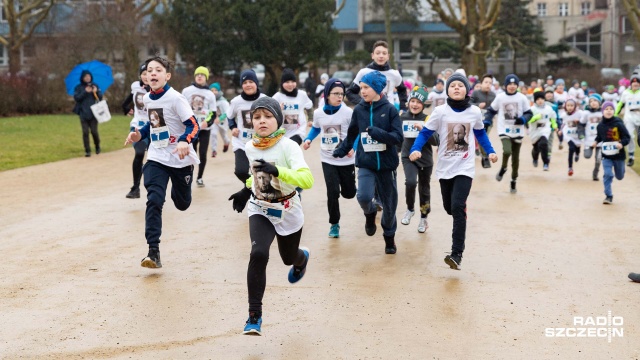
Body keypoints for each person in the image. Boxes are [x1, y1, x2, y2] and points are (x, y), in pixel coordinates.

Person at [227, 96, 314, 336]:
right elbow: (256, 175)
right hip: (260, 207)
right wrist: (245, 191)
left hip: (287, 209)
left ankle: (301, 259)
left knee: (288, 258)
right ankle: (254, 316)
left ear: (278, 119)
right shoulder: (250, 146)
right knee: (258, 253)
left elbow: (307, 179)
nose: (262, 121)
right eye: (257, 117)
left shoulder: (289, 147)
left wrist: (279, 171)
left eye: (267, 116)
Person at [409, 70, 498, 270]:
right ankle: (459, 211)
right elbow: (425, 133)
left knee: (457, 207)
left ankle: (456, 254)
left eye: (459, 85)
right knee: (450, 208)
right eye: (452, 86)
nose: (456, 88)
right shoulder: (440, 112)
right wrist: (415, 149)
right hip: (444, 168)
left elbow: (480, 134)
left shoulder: (474, 112)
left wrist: (490, 152)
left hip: (464, 168)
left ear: (466, 89)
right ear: (447, 91)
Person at [123, 55, 200, 269]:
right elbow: (153, 124)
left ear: (167, 75)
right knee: (154, 200)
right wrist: (139, 135)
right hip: (157, 156)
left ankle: (182, 188)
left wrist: (185, 141)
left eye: (158, 70)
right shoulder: (147, 98)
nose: (152, 73)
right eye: (149, 70)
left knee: (182, 204)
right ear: (145, 77)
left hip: (180, 158)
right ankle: (153, 251)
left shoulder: (176, 98)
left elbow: (194, 125)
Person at [333, 71, 403, 254]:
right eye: (361, 87)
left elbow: (398, 137)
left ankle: (389, 237)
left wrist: (379, 134)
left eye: (366, 87)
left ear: (378, 88)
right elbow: (352, 134)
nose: (362, 91)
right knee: (363, 196)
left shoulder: (390, 110)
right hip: (365, 162)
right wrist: (341, 150)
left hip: (387, 166)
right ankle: (370, 213)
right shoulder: (359, 110)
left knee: (389, 206)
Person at [303, 78, 356, 238]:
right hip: (328, 159)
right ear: (327, 95)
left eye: (342, 94)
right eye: (336, 93)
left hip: (346, 160)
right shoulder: (318, 113)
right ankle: (334, 224)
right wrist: (308, 139)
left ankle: (351, 188)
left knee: (349, 193)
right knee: (332, 192)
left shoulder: (348, 113)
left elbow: (357, 133)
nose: (340, 97)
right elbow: (316, 129)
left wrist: (353, 148)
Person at [484, 74, 533, 194]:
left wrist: (522, 120)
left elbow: (529, 113)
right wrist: (487, 121)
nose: (512, 86)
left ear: (517, 85)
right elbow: (491, 110)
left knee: (516, 159)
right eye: (509, 84)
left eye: (514, 84)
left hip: (518, 131)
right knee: (507, 151)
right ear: (505, 85)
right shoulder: (500, 97)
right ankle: (503, 168)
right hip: (504, 129)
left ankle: (513, 180)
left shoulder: (522, 98)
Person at [400, 85, 438, 233]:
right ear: (409, 101)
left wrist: (423, 130)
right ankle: (410, 209)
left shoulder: (428, 119)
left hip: (425, 159)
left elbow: (436, 141)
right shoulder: (402, 117)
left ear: (423, 105)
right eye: (413, 101)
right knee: (410, 182)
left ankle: (424, 218)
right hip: (408, 156)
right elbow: (397, 138)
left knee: (424, 189)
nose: (415, 105)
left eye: (419, 102)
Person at [227, 69, 267, 184]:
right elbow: (230, 116)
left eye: (251, 81)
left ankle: (257, 191)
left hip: (261, 142)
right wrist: (233, 127)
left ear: (256, 83)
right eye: (244, 83)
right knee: (240, 171)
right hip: (241, 142)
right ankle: (252, 188)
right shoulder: (236, 101)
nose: (248, 85)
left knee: (262, 173)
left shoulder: (265, 99)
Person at [346, 40, 407, 112]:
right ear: (372, 55)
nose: (381, 56)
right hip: (368, 112)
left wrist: (403, 109)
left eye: (384, 53)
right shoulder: (364, 72)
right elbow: (350, 92)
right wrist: (363, 103)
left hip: (388, 113)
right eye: (378, 53)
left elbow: (402, 90)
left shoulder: (395, 74)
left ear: (388, 56)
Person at [182, 66, 217, 187]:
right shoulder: (186, 91)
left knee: (202, 153)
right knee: (191, 152)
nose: (200, 76)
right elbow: (181, 107)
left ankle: (200, 177)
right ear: (195, 76)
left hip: (204, 129)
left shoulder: (210, 94)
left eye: (202, 75)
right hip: (191, 128)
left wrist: (207, 122)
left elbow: (213, 113)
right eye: (198, 74)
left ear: (206, 78)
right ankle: (188, 175)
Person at [121, 62, 150, 199]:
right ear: (140, 75)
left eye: (148, 73)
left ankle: (154, 186)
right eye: (144, 74)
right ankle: (135, 188)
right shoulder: (135, 86)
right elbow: (126, 102)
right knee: (139, 153)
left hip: (154, 127)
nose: (146, 76)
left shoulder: (158, 89)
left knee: (155, 158)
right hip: (137, 125)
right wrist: (127, 109)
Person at [592, 101, 631, 204]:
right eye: (606, 109)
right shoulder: (600, 125)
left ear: (614, 111)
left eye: (611, 109)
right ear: (603, 111)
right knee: (608, 174)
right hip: (606, 155)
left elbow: (627, 137)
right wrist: (596, 141)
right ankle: (608, 195)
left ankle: (621, 171)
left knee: (619, 176)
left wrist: (621, 144)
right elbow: (600, 136)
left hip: (619, 155)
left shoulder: (618, 123)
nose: (609, 111)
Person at [272, 68, 313, 145]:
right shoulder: (277, 97)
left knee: (292, 146)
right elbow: (269, 113)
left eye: (293, 81)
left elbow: (309, 106)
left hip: (298, 131)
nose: (290, 84)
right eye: (287, 82)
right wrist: (277, 109)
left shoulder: (302, 95)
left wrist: (310, 119)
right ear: (282, 83)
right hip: (281, 132)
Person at [72, 70, 102, 157]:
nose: (87, 78)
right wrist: (85, 91)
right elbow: (77, 98)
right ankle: (87, 150)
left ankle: (97, 147)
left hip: (94, 113)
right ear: (82, 78)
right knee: (85, 132)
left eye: (88, 76)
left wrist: (95, 92)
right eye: (85, 77)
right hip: (83, 113)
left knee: (94, 131)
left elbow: (100, 97)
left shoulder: (95, 86)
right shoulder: (78, 87)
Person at [471, 74, 497, 168]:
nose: (488, 85)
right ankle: (484, 155)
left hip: (487, 121)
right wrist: (478, 105)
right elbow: (469, 104)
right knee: (479, 138)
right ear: (481, 83)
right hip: (476, 120)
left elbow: (496, 108)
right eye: (486, 82)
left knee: (484, 135)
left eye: (490, 83)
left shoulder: (493, 95)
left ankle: (485, 157)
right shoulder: (476, 93)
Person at [614, 73, 640, 166]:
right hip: (629, 117)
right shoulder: (626, 93)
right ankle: (631, 156)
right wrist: (615, 114)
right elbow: (620, 104)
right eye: (634, 83)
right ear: (631, 84)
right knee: (629, 136)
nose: (636, 84)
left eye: (637, 83)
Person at [528, 91, 558, 171]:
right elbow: (528, 121)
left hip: (545, 129)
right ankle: (535, 158)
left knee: (544, 144)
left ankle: (545, 163)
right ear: (535, 100)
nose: (540, 100)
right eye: (538, 99)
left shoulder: (548, 108)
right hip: (534, 131)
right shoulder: (532, 109)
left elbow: (553, 117)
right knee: (536, 148)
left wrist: (554, 125)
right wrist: (536, 117)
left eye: (541, 98)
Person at [581, 94, 604, 180]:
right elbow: (581, 124)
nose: (593, 103)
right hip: (589, 139)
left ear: (599, 102)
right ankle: (587, 148)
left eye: (595, 101)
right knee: (587, 156)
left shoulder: (603, 112)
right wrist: (581, 134)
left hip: (600, 139)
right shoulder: (586, 113)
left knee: (598, 159)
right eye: (591, 101)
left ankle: (595, 173)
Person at [561, 99, 583, 176]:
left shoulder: (580, 113)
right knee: (571, 148)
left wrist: (579, 121)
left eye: (571, 105)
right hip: (568, 134)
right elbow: (563, 123)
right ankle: (570, 168)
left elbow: (584, 121)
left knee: (577, 147)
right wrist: (560, 130)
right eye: (568, 106)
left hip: (577, 134)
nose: (570, 107)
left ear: (575, 106)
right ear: (565, 106)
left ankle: (577, 153)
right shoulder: (564, 115)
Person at [209, 82, 231, 157]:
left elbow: (228, 112)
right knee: (213, 134)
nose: (214, 92)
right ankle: (214, 150)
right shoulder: (210, 100)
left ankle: (227, 142)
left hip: (222, 121)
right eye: (212, 90)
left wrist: (220, 118)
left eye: (215, 90)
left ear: (218, 91)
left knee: (223, 135)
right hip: (214, 121)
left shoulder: (223, 101)